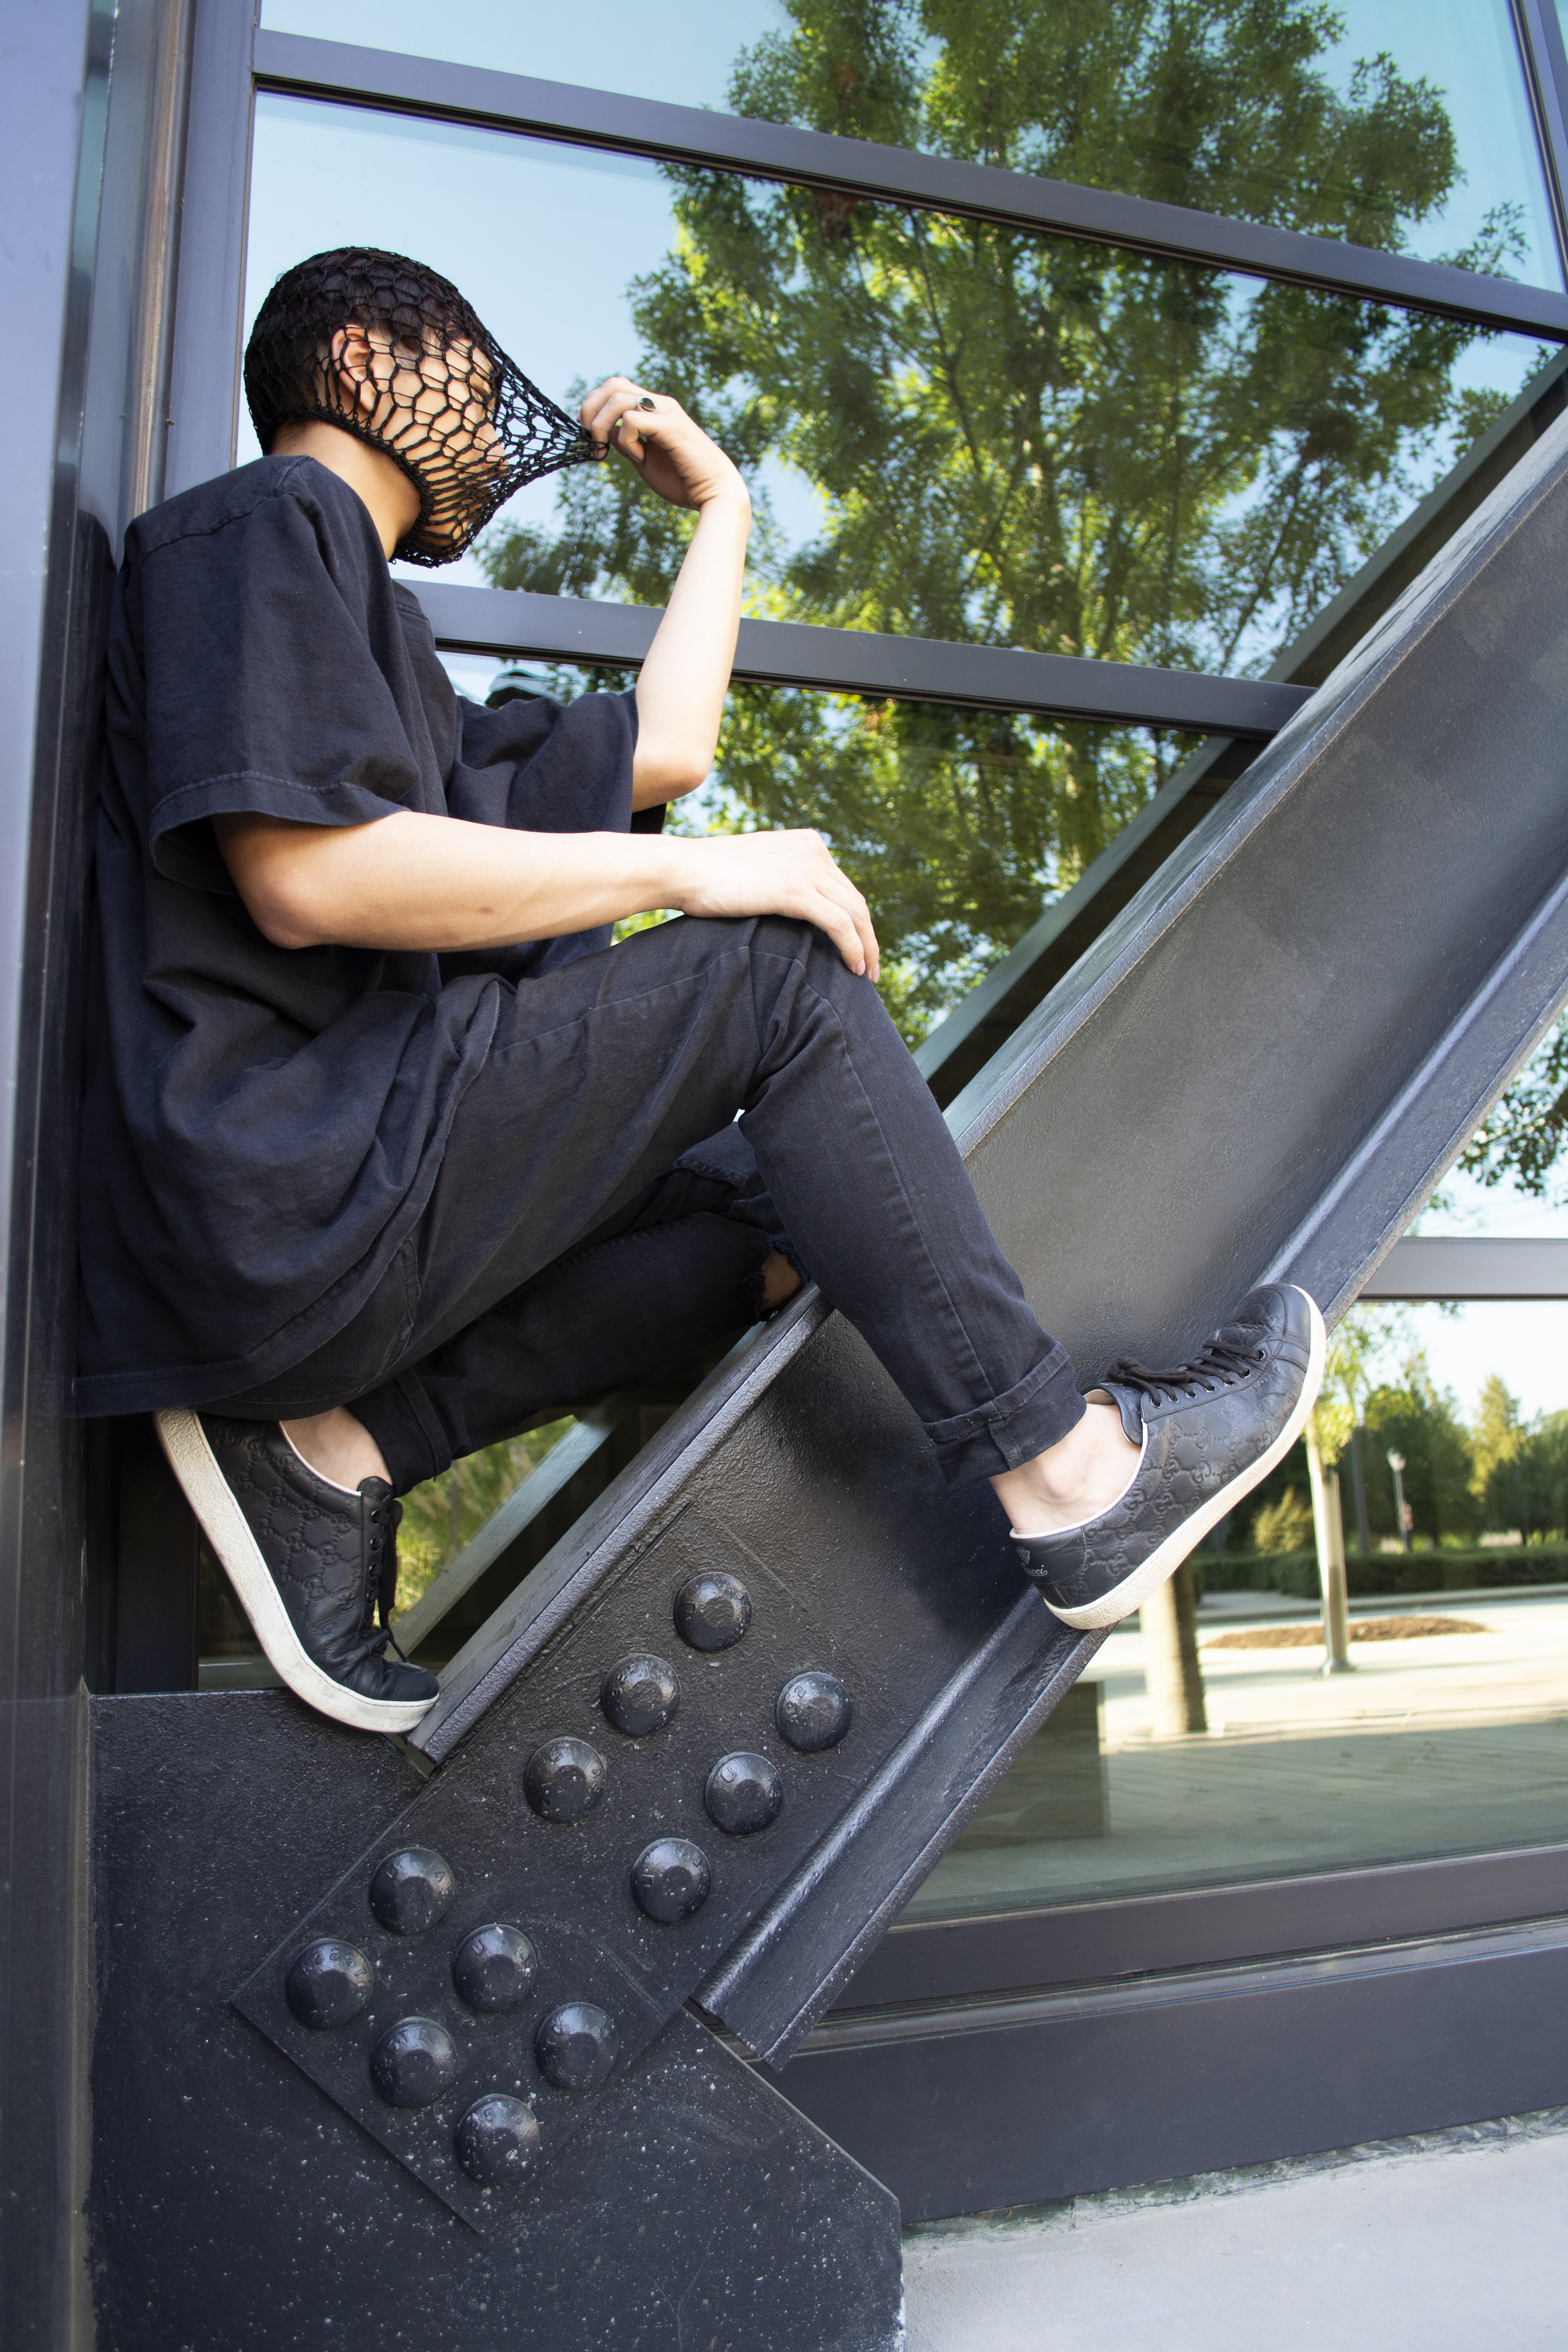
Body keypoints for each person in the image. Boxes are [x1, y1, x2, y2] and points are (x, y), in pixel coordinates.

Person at [79, 248, 1323, 1735]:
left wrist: (723, 504)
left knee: (795, 1193)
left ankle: (334, 1453)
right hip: (291, 1182)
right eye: (466, 361)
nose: (494, 408)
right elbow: (311, 875)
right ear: (361, 357)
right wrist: (692, 875)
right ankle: (1073, 1478)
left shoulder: (389, 659)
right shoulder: (268, 518)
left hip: (349, 1219)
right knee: (773, 966)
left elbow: (662, 750)